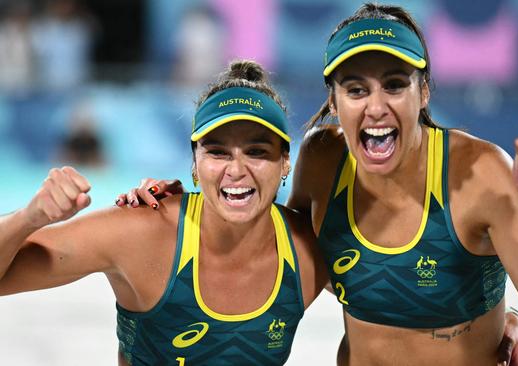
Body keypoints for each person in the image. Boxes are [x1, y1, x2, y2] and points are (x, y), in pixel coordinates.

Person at [121, 4, 518, 365]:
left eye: (394, 84)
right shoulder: (322, 160)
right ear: (334, 100)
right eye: (356, 89)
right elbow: (278, 259)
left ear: (424, 91)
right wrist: (182, 211)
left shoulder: (477, 174)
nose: (375, 107)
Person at [0, 60, 328, 365]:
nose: (237, 170)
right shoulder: (144, 233)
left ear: (285, 161)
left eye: (257, 152)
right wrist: (29, 218)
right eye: (217, 152)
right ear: (195, 165)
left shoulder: (307, 252)